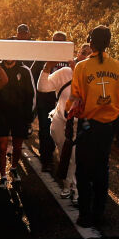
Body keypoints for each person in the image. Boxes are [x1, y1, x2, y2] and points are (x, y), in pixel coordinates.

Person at [66, 25, 119, 228]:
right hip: (108, 127)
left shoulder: (82, 67)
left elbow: (76, 98)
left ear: (91, 42)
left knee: (83, 170)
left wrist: (68, 117)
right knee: (102, 169)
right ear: (109, 43)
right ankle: (99, 213)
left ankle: (85, 214)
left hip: (88, 125)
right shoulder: (118, 67)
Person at [0, 51, 35, 186]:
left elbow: (31, 94)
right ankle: (3, 176)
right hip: (2, 116)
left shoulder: (24, 71)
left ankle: (14, 168)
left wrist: (29, 117)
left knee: (17, 146)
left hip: (20, 116)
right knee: (2, 146)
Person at [35, 31, 70, 171]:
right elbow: (35, 80)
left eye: (61, 41)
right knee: (45, 130)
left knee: (64, 132)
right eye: (55, 41)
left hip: (63, 102)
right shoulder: (43, 58)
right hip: (46, 100)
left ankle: (64, 160)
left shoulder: (69, 60)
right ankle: (46, 160)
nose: (58, 44)